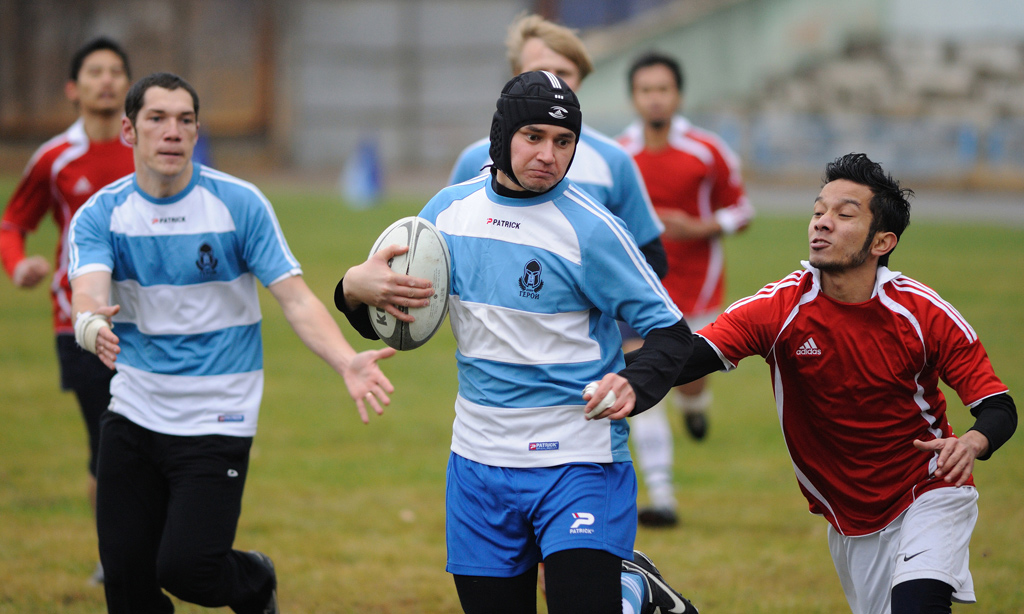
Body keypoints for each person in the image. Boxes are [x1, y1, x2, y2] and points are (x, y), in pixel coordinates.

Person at [336, 71, 697, 614]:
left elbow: (671, 331)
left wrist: (634, 383)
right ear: (503, 135)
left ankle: (632, 593)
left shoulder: (591, 229)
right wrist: (351, 290)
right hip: (479, 463)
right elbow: (390, 314)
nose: (549, 155)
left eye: (563, 141)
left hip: (578, 460)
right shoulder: (446, 215)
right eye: (534, 137)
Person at [67, 72, 397, 614]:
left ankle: (256, 581)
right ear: (129, 131)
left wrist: (346, 362)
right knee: (126, 580)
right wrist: (90, 324)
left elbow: (295, 298)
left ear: (197, 132)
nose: (172, 131)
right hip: (134, 409)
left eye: (185, 120)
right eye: (157, 119)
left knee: (187, 569)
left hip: (217, 414)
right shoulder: (102, 215)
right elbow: (88, 292)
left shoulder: (239, 204)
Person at [651, 153, 1016, 614]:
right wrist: (607, 374)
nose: (822, 223)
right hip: (849, 518)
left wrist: (973, 442)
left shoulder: (923, 313)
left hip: (930, 489)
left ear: (882, 241)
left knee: (918, 603)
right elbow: (687, 358)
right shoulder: (780, 307)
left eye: (844, 215)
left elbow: (998, 406)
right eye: (818, 211)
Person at [448, 13, 677, 531]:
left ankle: (657, 499)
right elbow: (445, 255)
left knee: (572, 543)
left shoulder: (612, 161)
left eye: (566, 74)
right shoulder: (472, 163)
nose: (553, 83)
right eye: (538, 71)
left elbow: (648, 257)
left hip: (586, 370)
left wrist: (614, 321)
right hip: (495, 387)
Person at [0, 36, 134, 584]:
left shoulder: (149, 150)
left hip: (151, 319)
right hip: (77, 321)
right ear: (73, 89)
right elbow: (13, 222)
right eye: (95, 72)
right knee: (107, 442)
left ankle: (152, 543)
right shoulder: (54, 159)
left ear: (129, 85)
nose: (107, 80)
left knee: (152, 438)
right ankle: (115, 554)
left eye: (116, 71)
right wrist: (18, 266)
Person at [617, 52, 755, 527]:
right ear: (634, 97)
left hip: (698, 288)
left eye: (663, 89)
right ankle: (662, 496)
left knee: (688, 379)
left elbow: (742, 210)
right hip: (639, 289)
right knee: (640, 380)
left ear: (677, 95)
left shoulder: (707, 150)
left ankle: (696, 407)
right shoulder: (619, 155)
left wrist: (699, 227)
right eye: (645, 90)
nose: (655, 98)